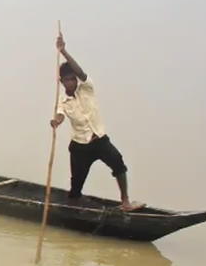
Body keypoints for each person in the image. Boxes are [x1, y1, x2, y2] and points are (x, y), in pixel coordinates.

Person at [50, 35, 141, 211]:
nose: (70, 82)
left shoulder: (87, 88)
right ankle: (75, 204)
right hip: (79, 147)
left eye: (72, 78)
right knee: (75, 188)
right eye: (66, 80)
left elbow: (81, 71)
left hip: (99, 140)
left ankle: (125, 201)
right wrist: (55, 122)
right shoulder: (62, 101)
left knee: (118, 163)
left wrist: (63, 51)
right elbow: (60, 115)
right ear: (61, 82)